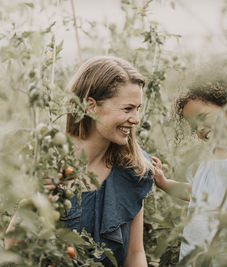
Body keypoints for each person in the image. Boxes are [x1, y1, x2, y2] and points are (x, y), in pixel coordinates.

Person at [151, 80, 227, 265]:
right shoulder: (206, 163)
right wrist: (164, 182)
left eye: (203, 117)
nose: (200, 129)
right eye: (194, 126)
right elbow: (198, 192)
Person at [59, 56, 154, 267]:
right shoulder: (52, 163)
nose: (136, 119)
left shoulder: (133, 168)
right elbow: (15, 245)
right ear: (91, 106)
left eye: (138, 108)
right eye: (128, 109)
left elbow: (135, 253)